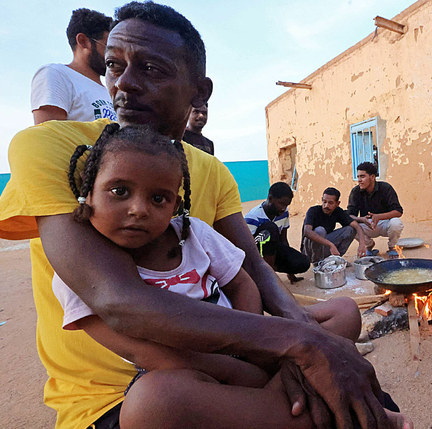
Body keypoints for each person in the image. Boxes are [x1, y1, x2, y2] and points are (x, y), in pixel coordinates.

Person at [0, 3, 407, 428]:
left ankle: (290, 395)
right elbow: (119, 302)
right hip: (121, 395)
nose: (124, 84)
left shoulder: (209, 170)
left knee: (340, 320)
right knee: (163, 400)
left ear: (200, 91)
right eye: (114, 65)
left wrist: (300, 337)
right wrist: (299, 345)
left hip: (231, 348)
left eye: (152, 69)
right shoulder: (54, 149)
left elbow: (251, 267)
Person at [31, 8, 117, 124]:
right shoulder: (56, 74)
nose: (114, 55)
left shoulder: (111, 92)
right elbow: (50, 136)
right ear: (83, 41)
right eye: (108, 47)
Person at [245, 182, 310, 283]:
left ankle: (270, 269)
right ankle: (266, 276)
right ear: (270, 198)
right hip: (257, 254)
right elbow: (247, 248)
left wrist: (291, 271)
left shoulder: (283, 213)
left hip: (273, 251)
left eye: (287, 205)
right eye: (281, 203)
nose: (284, 208)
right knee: (270, 228)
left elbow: (283, 239)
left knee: (303, 262)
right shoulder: (252, 217)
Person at [347, 161, 404, 258]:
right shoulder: (356, 191)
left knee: (396, 223)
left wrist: (379, 217)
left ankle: (392, 247)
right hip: (367, 224)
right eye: (358, 177)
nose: (359, 180)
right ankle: (369, 245)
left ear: (372, 177)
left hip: (385, 223)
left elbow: (398, 211)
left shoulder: (386, 188)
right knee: (350, 227)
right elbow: (349, 215)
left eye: (362, 176)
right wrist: (362, 219)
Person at [302, 187, 367, 263]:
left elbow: (356, 226)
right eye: (324, 201)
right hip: (309, 251)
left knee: (350, 229)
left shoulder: (338, 211)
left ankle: (335, 259)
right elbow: (307, 231)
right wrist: (330, 244)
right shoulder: (313, 210)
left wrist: (362, 244)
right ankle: (317, 263)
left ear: (337, 203)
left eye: (330, 203)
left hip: (325, 247)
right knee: (320, 230)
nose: (326, 205)